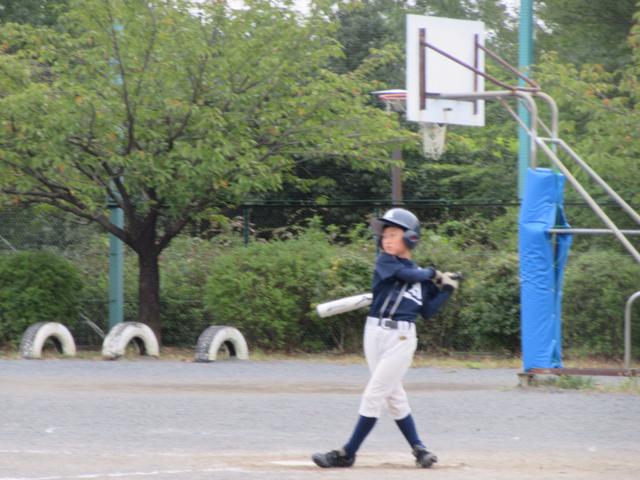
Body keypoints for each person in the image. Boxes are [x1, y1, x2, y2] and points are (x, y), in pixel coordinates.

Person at [312, 208, 460, 469]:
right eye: (385, 235)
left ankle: (347, 453)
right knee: (393, 396)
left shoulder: (423, 278)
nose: (386, 239)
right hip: (374, 332)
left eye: (393, 234)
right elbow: (409, 275)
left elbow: (428, 311)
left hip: (401, 338)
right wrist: (434, 273)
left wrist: (446, 289)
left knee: (375, 394)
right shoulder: (386, 262)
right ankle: (420, 450)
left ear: (411, 238)